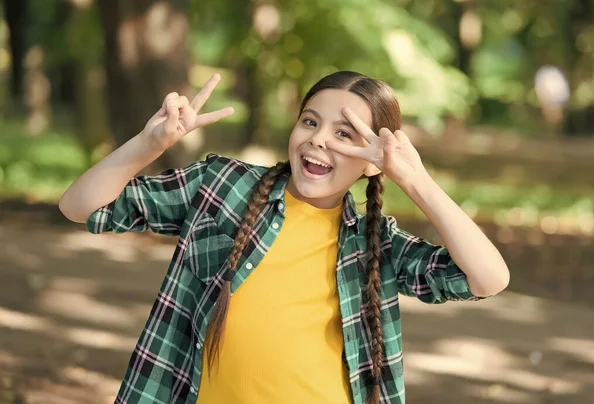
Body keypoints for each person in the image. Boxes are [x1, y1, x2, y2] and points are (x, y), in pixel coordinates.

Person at [59, 71, 510, 404]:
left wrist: (415, 182)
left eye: (344, 134)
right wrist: (149, 143)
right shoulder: (222, 186)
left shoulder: (376, 243)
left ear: (373, 160)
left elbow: (488, 278)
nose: (320, 141)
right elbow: (80, 207)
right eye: (310, 122)